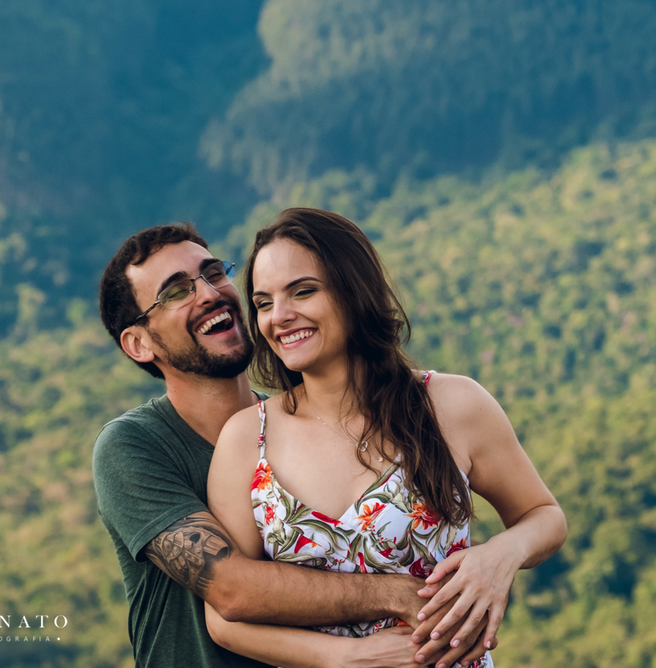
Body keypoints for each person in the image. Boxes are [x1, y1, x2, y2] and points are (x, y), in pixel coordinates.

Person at [93, 223, 494, 668]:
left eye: (213, 273)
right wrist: (398, 595)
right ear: (138, 343)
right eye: (175, 292)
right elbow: (231, 588)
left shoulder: (292, 428)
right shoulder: (133, 446)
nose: (207, 293)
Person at [203, 208, 567, 668]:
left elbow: (545, 516)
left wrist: (499, 556)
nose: (281, 316)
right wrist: (348, 657)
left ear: (355, 291)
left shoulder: (451, 405)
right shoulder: (246, 439)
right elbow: (223, 619)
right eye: (263, 302)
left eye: (304, 291)